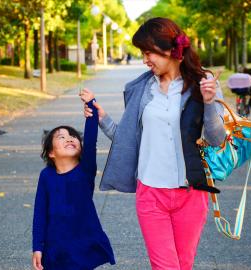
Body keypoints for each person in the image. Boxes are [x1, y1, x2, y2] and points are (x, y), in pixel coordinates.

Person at [83, 17, 226, 270]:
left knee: (183, 265)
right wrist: (101, 118)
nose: (145, 59)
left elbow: (217, 139)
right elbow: (128, 141)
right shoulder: (142, 89)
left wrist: (208, 102)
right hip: (151, 193)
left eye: (148, 52)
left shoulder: (204, 84)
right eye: (142, 53)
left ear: (170, 49)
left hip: (191, 193)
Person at [32, 92, 115, 270]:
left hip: (82, 244)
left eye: (73, 136)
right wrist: (37, 248)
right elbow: (40, 213)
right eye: (61, 137)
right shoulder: (46, 176)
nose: (69, 138)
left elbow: (91, 140)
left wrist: (91, 105)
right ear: (51, 153)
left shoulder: (85, 170)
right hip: (54, 248)